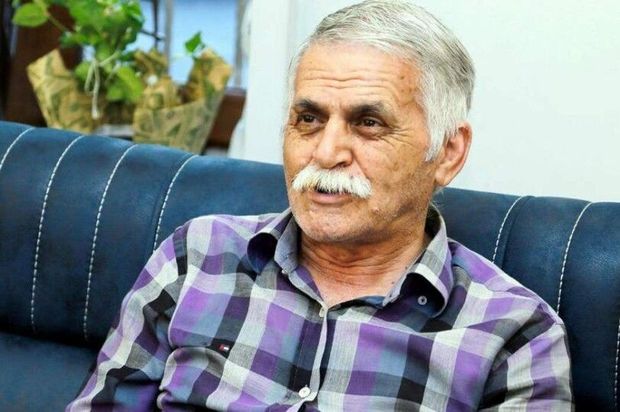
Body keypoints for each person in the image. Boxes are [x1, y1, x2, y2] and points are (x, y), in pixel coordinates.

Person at [67, 1, 573, 410]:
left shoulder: (514, 337)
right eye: (308, 119)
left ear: (447, 153)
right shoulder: (196, 258)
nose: (326, 152)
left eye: (368, 123)